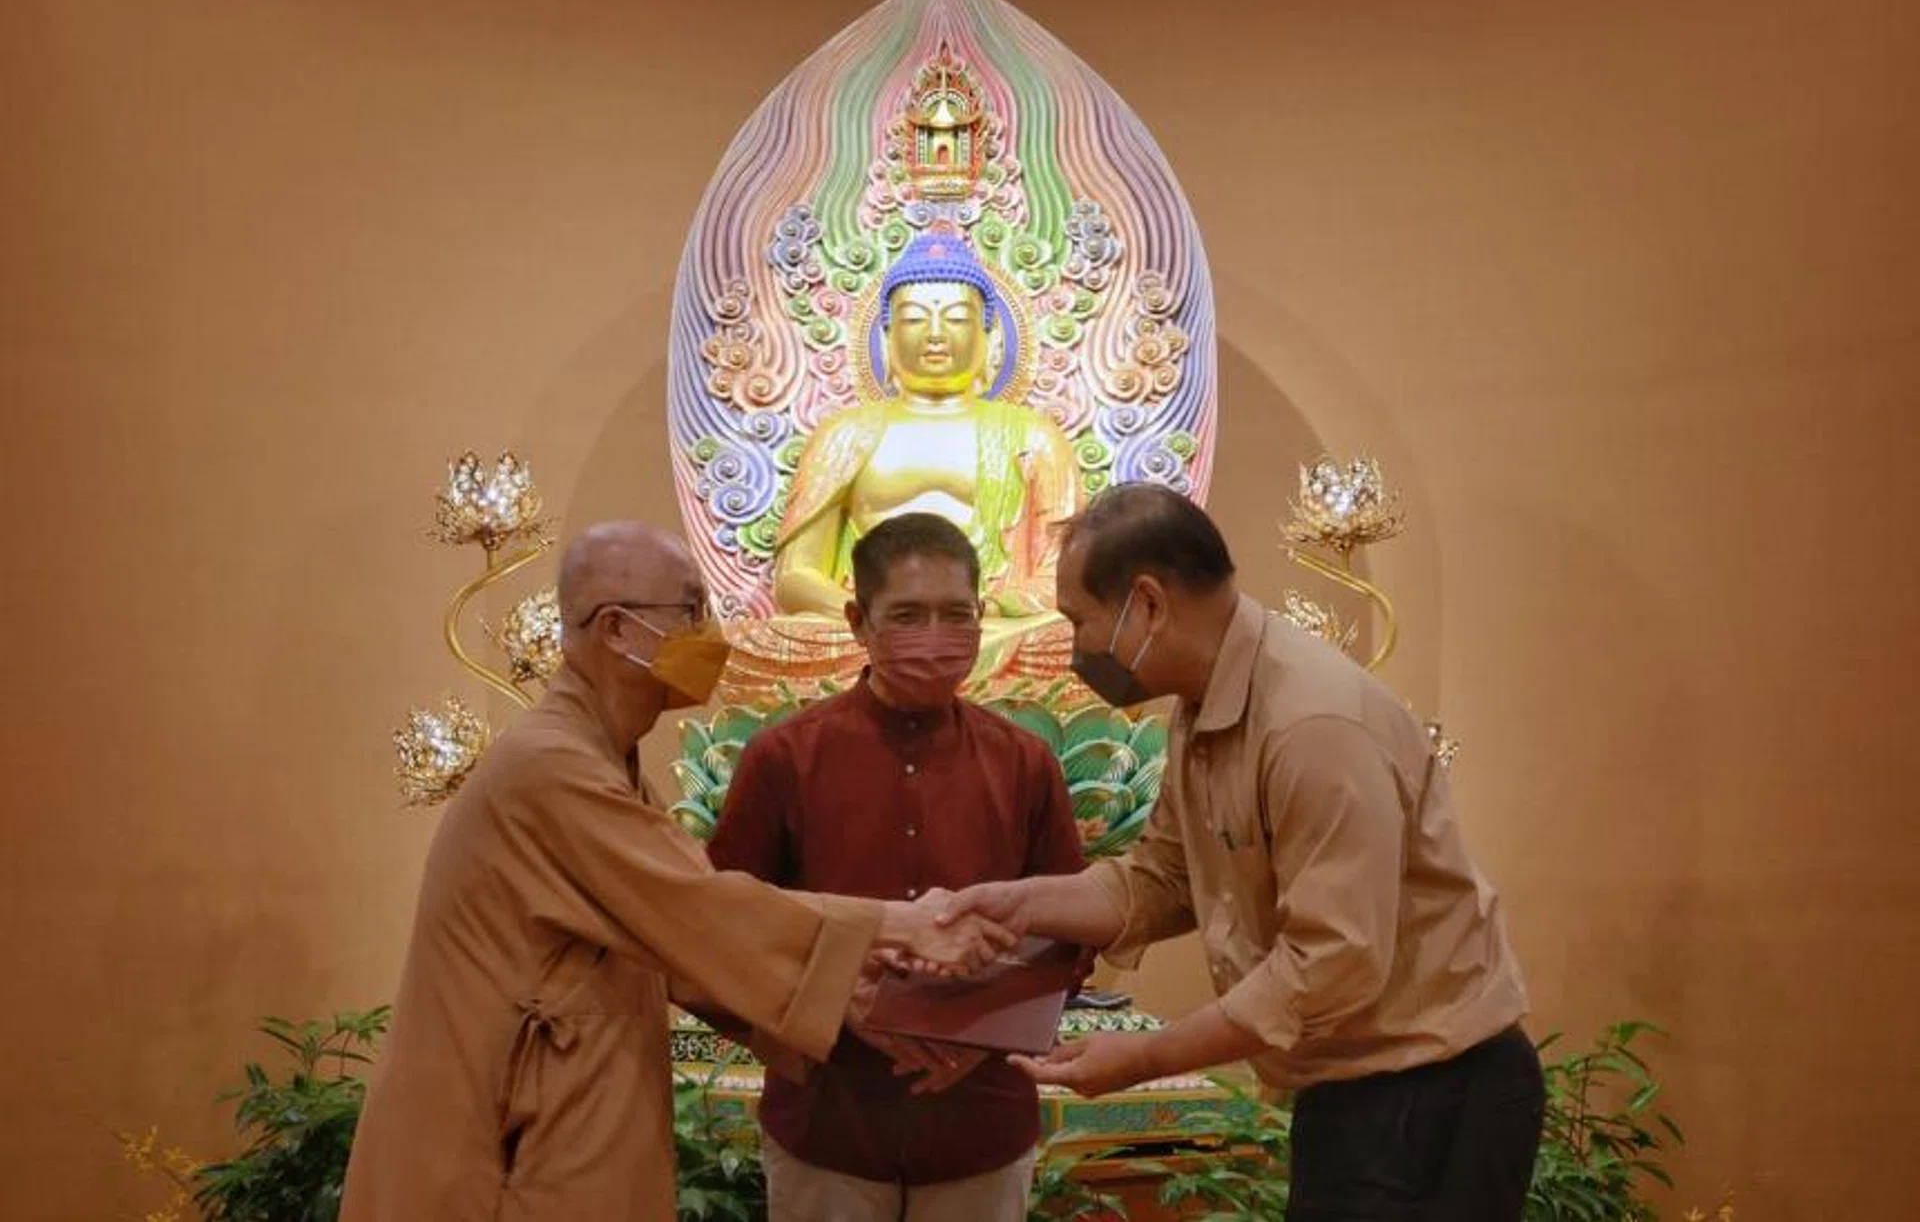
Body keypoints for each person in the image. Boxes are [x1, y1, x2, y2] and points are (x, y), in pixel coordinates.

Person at [340, 521, 1009, 1222]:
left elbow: (689, 952)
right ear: (619, 629)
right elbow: (705, 906)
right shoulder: (548, 765)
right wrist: (899, 923)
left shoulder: (606, 763)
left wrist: (861, 1010)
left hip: (568, 1110)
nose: (714, 630)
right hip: (499, 1140)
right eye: (692, 609)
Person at [939, 484, 1544, 1221]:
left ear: (1148, 605)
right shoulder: (1205, 707)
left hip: (1431, 1096)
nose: (1073, 652)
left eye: (1078, 620)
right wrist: (1021, 903)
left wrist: (1145, 1057)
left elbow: (1332, 965)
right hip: (1354, 1093)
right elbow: (1161, 878)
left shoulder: (1310, 724)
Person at [707, 512, 1087, 1222]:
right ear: (856, 621)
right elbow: (726, 932)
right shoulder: (784, 758)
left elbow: (1073, 934)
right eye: (908, 615)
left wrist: (985, 1032)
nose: (935, 638)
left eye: (956, 615)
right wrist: (833, 1005)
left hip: (982, 1120)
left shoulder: (1025, 762)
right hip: (829, 1123)